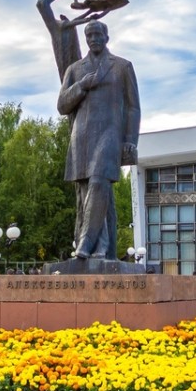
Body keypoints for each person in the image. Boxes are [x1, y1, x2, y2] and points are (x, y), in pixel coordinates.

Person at [57, 20, 140, 261]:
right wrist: (81, 85)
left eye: (97, 34)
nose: (93, 39)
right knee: (89, 192)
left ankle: (85, 241)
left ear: (106, 37)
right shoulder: (75, 69)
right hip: (81, 137)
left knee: (98, 181)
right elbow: (62, 105)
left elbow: (133, 107)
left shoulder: (122, 66)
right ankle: (101, 248)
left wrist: (130, 139)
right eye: (89, 35)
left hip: (110, 134)